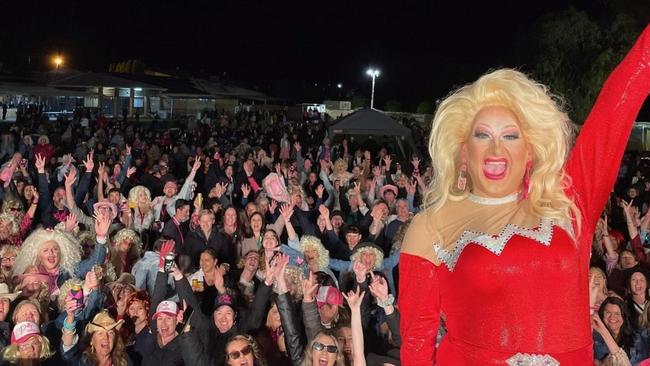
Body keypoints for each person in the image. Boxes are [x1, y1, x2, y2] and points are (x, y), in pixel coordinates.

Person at [399, 26, 650, 364]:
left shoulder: (567, 203)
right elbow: (416, 343)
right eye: (482, 135)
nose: (496, 148)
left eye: (511, 136)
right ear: (462, 152)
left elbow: (617, 106)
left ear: (530, 152)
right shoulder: (429, 226)